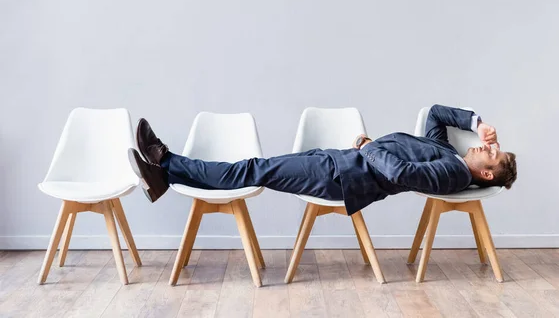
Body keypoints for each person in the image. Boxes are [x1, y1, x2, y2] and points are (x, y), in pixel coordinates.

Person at [128, 104, 517, 215]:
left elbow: (403, 172)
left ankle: (166, 161)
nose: (488, 147)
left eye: (493, 155)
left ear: (485, 173)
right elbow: (435, 113)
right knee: (254, 169)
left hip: (341, 176)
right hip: (339, 161)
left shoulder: (451, 173)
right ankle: (163, 176)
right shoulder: (450, 153)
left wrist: (369, 148)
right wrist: (477, 123)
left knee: (253, 169)